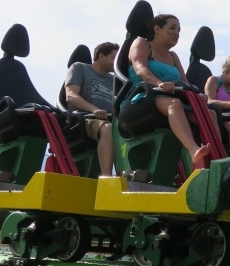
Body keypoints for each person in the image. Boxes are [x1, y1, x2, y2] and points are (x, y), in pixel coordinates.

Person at [127, 14, 218, 167]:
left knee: (210, 113)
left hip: (170, 96)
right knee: (173, 104)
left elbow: (185, 82)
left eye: (179, 30)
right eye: (172, 28)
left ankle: (215, 156)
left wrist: (198, 94)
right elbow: (140, 69)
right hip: (143, 96)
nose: (177, 33)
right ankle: (193, 149)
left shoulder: (173, 56)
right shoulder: (142, 43)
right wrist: (159, 83)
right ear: (157, 29)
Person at [63, 41, 119, 176]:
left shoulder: (113, 80)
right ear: (101, 56)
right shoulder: (79, 68)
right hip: (84, 118)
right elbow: (70, 96)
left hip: (109, 119)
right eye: (113, 58)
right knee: (107, 128)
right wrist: (94, 109)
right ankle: (106, 177)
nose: (115, 62)